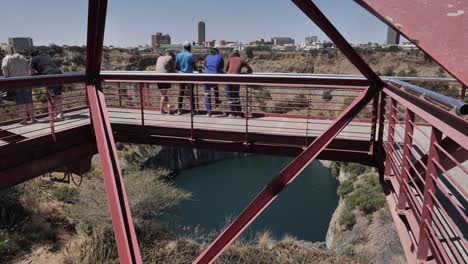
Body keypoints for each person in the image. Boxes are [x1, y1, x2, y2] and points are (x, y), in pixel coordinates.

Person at [1, 46, 36, 124]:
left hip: (16, 83)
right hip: (26, 81)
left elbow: (5, 74)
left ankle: (24, 119)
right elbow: (29, 69)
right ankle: (33, 118)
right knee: (29, 100)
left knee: (21, 102)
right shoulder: (22, 57)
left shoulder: (6, 59)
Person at [30, 50, 64, 119]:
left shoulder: (33, 59)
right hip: (58, 73)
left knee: (56, 96)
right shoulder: (45, 57)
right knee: (57, 95)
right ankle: (57, 113)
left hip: (50, 75)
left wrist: (35, 75)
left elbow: (30, 72)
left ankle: (60, 114)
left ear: (32, 56)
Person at [225, 50, 253, 117]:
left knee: (230, 96)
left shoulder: (230, 59)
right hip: (236, 79)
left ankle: (232, 113)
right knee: (236, 96)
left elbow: (226, 70)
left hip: (228, 79)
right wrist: (243, 73)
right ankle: (239, 113)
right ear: (238, 55)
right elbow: (250, 70)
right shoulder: (241, 60)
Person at [175, 41, 196, 115]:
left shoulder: (178, 55)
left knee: (181, 92)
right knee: (191, 93)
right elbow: (194, 67)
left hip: (181, 76)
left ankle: (179, 110)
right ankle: (192, 110)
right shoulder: (191, 55)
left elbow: (176, 67)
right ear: (190, 47)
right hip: (190, 76)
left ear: (183, 47)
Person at [203, 48, 224, 117]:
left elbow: (205, 66)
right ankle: (217, 101)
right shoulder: (220, 57)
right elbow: (221, 67)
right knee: (215, 87)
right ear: (217, 52)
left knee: (206, 94)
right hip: (215, 77)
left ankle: (209, 112)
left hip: (206, 78)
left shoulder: (207, 57)